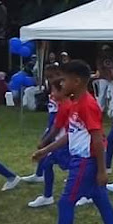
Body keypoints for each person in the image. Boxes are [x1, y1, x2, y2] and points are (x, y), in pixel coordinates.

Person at [25, 60, 113, 224]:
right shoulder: (75, 103)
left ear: (77, 81)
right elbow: (71, 135)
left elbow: (97, 139)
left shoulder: (87, 105)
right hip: (81, 160)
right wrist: (46, 149)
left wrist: (101, 169)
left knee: (65, 203)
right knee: (101, 199)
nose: (61, 84)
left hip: (84, 163)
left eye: (64, 79)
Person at [27, 79, 72, 208]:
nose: (51, 94)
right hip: (62, 141)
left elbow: (56, 128)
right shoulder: (64, 104)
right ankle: (47, 196)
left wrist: (44, 141)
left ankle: (87, 193)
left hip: (64, 142)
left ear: (62, 91)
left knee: (74, 167)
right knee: (47, 163)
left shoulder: (65, 106)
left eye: (53, 90)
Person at [22, 64, 62, 183]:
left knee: (50, 151)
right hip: (52, 123)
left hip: (57, 125)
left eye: (51, 77)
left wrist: (51, 129)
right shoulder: (51, 88)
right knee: (45, 149)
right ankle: (39, 173)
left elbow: (59, 113)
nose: (49, 80)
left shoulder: (61, 90)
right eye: (47, 77)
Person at [94, 45, 113, 113]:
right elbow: (100, 69)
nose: (107, 52)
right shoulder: (100, 59)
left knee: (112, 94)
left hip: (111, 78)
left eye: (108, 50)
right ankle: (99, 109)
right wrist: (106, 77)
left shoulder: (111, 58)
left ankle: (111, 109)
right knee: (102, 94)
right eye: (105, 50)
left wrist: (112, 76)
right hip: (103, 78)